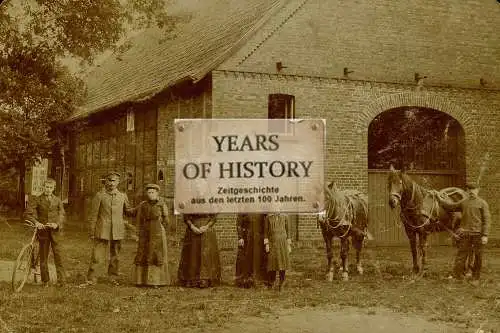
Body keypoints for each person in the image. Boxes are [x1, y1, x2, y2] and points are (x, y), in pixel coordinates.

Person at [84, 171, 135, 286]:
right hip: (102, 229)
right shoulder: (100, 196)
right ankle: (92, 278)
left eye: (114, 181)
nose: (111, 183)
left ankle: (113, 277)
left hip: (117, 230)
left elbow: (128, 211)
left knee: (115, 256)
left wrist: (142, 207)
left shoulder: (123, 196)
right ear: (106, 181)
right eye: (109, 180)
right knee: (97, 255)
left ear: (118, 182)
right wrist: (92, 231)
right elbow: (93, 215)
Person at [437, 182, 491, 286]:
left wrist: (485, 235)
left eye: (473, 189)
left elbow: (487, 220)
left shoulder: (482, 203)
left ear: (478, 190)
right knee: (461, 255)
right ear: (467, 191)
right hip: (465, 233)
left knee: (478, 256)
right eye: (469, 189)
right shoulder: (463, 202)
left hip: (478, 234)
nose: (471, 191)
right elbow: (450, 207)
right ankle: (457, 276)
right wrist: (439, 197)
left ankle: (476, 278)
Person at [25, 178, 66, 287]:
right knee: (43, 256)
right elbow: (28, 213)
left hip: (55, 232)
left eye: (50, 187)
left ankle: (61, 281)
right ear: (43, 187)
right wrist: (36, 222)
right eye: (46, 187)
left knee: (59, 256)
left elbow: (62, 215)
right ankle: (45, 281)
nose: (48, 189)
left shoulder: (58, 200)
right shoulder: (38, 199)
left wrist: (57, 224)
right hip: (43, 231)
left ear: (53, 188)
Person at [133, 184, 171, 287]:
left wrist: (161, 226)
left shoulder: (161, 204)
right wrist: (138, 231)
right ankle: (141, 280)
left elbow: (166, 219)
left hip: (157, 231)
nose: (150, 194)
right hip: (145, 231)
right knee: (143, 252)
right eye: (149, 192)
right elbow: (139, 219)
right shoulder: (143, 205)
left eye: (153, 192)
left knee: (156, 253)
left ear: (157, 193)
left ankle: (156, 281)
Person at [177, 214, 221, 288]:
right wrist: (192, 227)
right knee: (193, 253)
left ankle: (205, 278)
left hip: (207, 229)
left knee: (206, 255)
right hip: (193, 229)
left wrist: (206, 226)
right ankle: (191, 279)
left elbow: (214, 217)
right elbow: (186, 216)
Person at [235, 213, 267, 288]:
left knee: (258, 259)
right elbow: (239, 223)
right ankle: (245, 280)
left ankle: (259, 279)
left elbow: (266, 222)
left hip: (259, 238)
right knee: (246, 258)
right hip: (247, 237)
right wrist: (240, 237)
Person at [264, 212, 292, 291]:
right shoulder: (268, 218)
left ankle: (281, 283)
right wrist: (266, 244)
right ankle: (271, 283)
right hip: (272, 242)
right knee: (272, 263)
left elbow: (288, 231)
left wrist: (289, 244)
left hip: (283, 242)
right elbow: (266, 232)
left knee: (282, 263)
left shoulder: (285, 216)